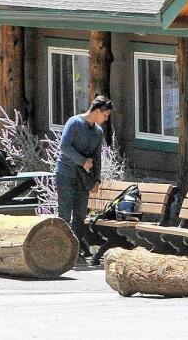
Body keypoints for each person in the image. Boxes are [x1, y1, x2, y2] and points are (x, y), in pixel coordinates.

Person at [55, 95, 113, 259]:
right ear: (96, 111)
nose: (106, 118)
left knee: (80, 214)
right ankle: (62, 249)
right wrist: (82, 161)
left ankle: (76, 247)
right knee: (65, 213)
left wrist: (97, 179)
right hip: (66, 173)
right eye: (105, 115)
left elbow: (97, 157)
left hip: (83, 178)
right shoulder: (74, 122)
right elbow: (64, 146)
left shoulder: (98, 131)